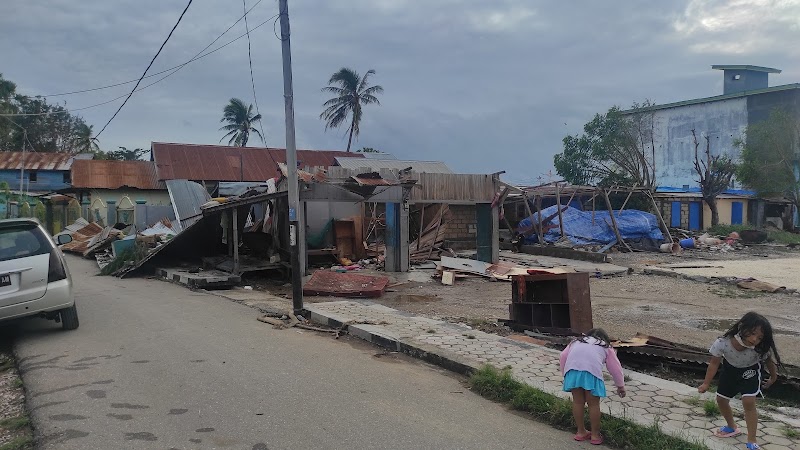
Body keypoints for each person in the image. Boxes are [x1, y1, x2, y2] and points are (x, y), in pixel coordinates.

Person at [698, 312, 781, 450]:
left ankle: (752, 440)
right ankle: (732, 427)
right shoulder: (722, 343)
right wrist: (706, 383)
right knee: (721, 400)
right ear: (742, 326)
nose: (754, 339)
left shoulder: (759, 349)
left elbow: (769, 362)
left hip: (750, 372)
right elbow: (714, 364)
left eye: (760, 337)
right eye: (753, 333)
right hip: (729, 371)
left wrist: (773, 376)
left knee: (748, 402)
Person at [559, 328, 626, 446]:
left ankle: (580, 432)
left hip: (572, 372)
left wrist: (565, 374)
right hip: (591, 373)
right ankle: (595, 435)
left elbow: (563, 356)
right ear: (604, 338)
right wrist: (620, 386)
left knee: (578, 402)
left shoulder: (575, 341)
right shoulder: (606, 346)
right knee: (593, 404)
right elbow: (615, 368)